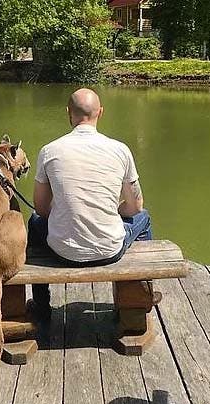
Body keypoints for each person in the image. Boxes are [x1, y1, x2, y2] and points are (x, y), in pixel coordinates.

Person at [29, 88, 156, 320]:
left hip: (62, 252)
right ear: (101, 113)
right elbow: (135, 206)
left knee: (34, 221)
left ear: (68, 113)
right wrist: (114, 212)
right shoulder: (121, 150)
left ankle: (41, 305)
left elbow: (40, 209)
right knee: (143, 218)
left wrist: (63, 212)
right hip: (110, 250)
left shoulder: (49, 151)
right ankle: (138, 295)